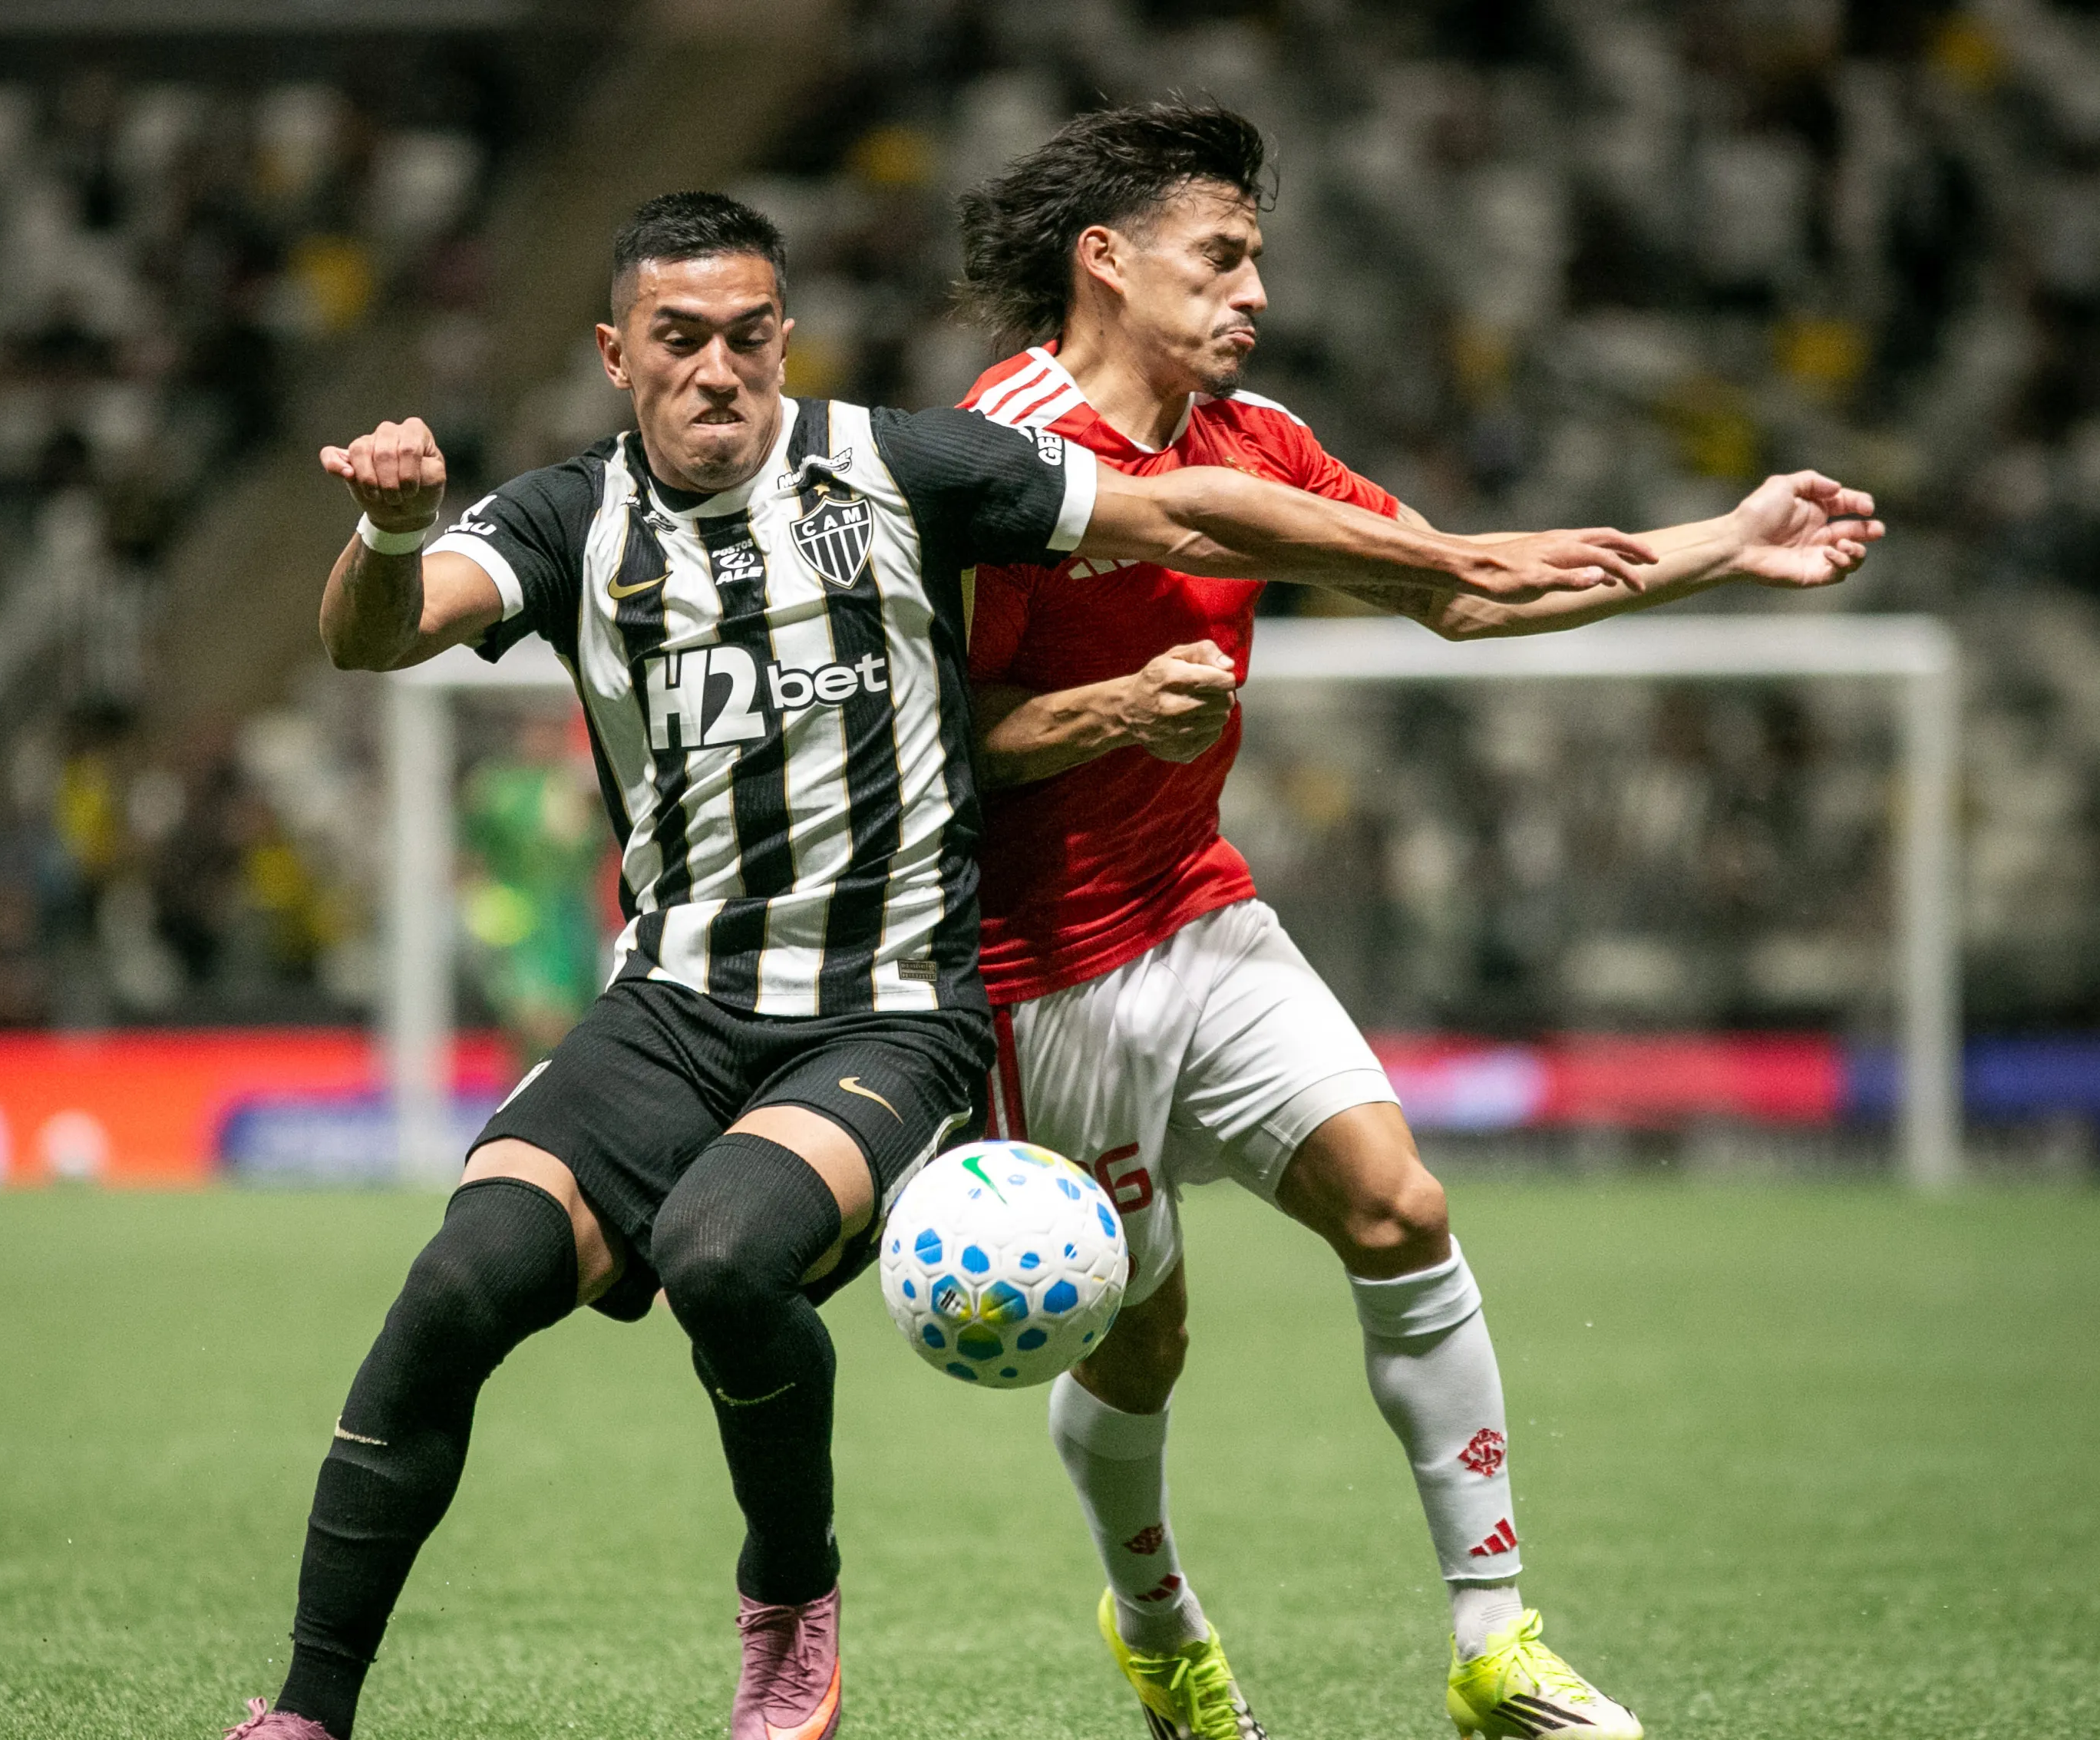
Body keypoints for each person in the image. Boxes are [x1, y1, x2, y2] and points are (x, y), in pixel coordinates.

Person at [223, 190, 1657, 1740]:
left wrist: (1438, 554)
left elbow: (1178, 514)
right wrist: (385, 527)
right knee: (456, 1283)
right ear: (614, 353)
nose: (717, 369)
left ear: (786, 336)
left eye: (748, 337)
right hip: (668, 1002)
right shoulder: (571, 519)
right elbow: (377, 635)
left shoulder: (901, 467)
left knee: (721, 1251)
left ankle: (787, 1600)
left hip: (888, 1011)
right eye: (678, 340)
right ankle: (308, 1710)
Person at [952, 104, 1884, 1740]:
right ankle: (1155, 1616)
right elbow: (945, 740)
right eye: (1221, 255)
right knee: (1139, 1337)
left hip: (1199, 906)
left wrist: (1722, 547)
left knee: (1399, 1206)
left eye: (1257, 257)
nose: (1254, 289)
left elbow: (1454, 587)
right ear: (1104, 260)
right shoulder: (1001, 453)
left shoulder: (1252, 436)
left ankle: (1492, 1642)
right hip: (1044, 973)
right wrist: (1113, 710)